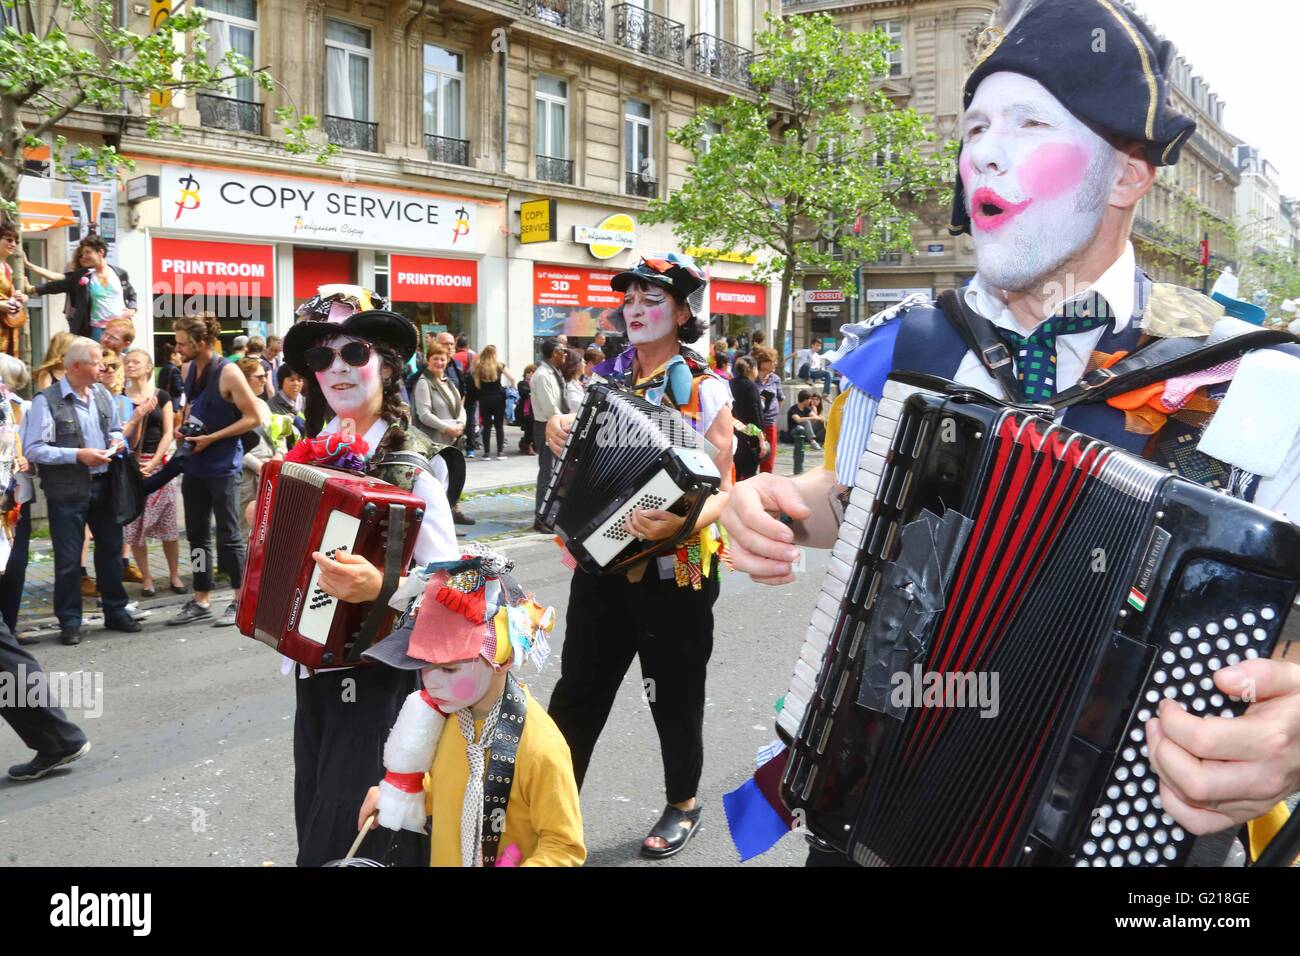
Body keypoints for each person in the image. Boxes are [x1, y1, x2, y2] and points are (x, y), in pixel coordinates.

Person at [721, 0, 1300, 865]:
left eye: (1031, 122)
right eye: (977, 125)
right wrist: (770, 502)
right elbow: (855, 504)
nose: (984, 150)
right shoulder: (912, 342)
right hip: (874, 803)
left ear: (1127, 175)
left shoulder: (1257, 383)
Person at [543, 253, 735, 859]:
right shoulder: (606, 379)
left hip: (675, 571)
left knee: (674, 693)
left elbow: (724, 489)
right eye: (629, 300)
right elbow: (582, 461)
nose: (636, 310)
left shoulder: (707, 389)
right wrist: (557, 428)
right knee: (577, 693)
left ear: (682, 313)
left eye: (652, 301)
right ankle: (551, 814)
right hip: (602, 565)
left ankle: (684, 802)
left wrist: (681, 519)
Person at [280, 301, 459, 867]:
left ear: (385, 366)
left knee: (347, 833)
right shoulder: (311, 452)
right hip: (312, 673)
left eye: (354, 352)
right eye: (321, 355)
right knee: (313, 809)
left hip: (378, 678)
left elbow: (458, 590)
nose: (336, 367)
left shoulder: (417, 465)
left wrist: (381, 586)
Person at [354, 545, 585, 867]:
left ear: (502, 658)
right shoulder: (448, 717)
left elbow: (565, 847)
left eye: (449, 668)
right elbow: (454, 787)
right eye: (423, 663)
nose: (431, 681)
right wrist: (401, 797)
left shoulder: (540, 748)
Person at [24, 337, 140, 644]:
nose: (103, 366)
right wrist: (77, 455)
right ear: (76, 366)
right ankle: (70, 621)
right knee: (68, 560)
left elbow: (115, 429)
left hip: (105, 484)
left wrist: (117, 444)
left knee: (112, 553)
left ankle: (115, 611)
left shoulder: (102, 393)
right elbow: (34, 449)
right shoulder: (46, 400)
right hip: (67, 492)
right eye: (97, 361)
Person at [165, 314, 261, 629]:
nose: (177, 348)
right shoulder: (188, 369)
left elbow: (253, 418)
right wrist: (183, 432)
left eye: (182, 342)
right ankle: (202, 597)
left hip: (222, 466)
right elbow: (192, 408)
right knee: (196, 535)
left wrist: (213, 439)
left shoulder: (229, 372)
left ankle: (239, 600)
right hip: (195, 464)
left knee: (229, 536)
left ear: (201, 343)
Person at [121, 348, 184, 597]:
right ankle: (147, 578)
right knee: (135, 527)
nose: (130, 365)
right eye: (127, 362)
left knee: (168, 525)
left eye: (136, 362)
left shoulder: (163, 396)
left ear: (149, 367)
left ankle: (174, 574)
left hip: (158, 465)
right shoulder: (120, 397)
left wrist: (157, 460)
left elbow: (168, 431)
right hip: (131, 466)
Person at [28, 236, 136, 340]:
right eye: (82, 253)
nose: (83, 256)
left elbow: (132, 295)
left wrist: (132, 309)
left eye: (88, 252)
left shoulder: (120, 274)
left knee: (121, 359)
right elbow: (59, 285)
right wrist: (33, 289)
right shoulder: (83, 275)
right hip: (97, 330)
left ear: (101, 252)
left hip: (121, 329)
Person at [0, 354, 35, 639]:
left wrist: (29, 462)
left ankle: (8, 630)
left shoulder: (24, 409)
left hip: (17, 498)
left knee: (15, 565)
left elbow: (37, 447)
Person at [529, 338, 569, 531]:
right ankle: (540, 518)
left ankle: (549, 515)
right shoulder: (543, 375)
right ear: (554, 353)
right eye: (563, 351)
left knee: (554, 473)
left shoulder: (554, 373)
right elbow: (550, 408)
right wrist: (565, 421)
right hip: (547, 425)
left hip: (554, 424)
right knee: (547, 474)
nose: (565, 354)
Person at [472, 345, 517, 461]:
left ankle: (486, 453)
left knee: (486, 426)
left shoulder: (479, 367)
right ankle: (500, 452)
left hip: (485, 398)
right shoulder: (500, 366)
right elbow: (512, 378)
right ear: (494, 354)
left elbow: (477, 385)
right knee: (499, 426)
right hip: (499, 398)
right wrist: (513, 390)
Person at [729, 356, 766, 482]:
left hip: (733, 431)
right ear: (753, 369)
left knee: (735, 474)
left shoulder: (730, 383)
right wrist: (760, 438)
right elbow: (754, 415)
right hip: (749, 436)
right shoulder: (751, 386)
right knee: (749, 477)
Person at [0, 222, 30, 357]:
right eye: (9, 239)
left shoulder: (6, 267)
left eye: (16, 241)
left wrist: (18, 297)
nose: (13, 244)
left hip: (6, 327)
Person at [753, 345, 782, 474]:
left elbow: (780, 398)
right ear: (763, 362)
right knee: (752, 461)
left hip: (770, 424)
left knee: (768, 462)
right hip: (753, 425)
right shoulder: (752, 379)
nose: (775, 363)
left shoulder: (775, 379)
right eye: (772, 360)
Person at [786, 389, 822, 476]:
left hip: (804, 433)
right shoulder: (793, 409)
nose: (811, 401)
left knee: (822, 422)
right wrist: (811, 418)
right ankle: (813, 441)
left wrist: (815, 411)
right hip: (794, 433)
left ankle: (825, 440)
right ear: (805, 400)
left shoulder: (807, 409)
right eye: (809, 399)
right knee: (805, 422)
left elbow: (816, 418)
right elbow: (798, 419)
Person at [516, 363, 537, 455]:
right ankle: (527, 444)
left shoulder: (538, 383)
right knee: (530, 426)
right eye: (529, 372)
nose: (531, 373)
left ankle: (529, 443)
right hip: (526, 411)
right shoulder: (522, 383)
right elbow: (524, 392)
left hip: (536, 410)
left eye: (533, 372)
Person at [560, 347, 585, 411]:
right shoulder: (568, 386)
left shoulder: (575, 383)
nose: (585, 365)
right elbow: (577, 407)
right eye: (583, 362)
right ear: (576, 365)